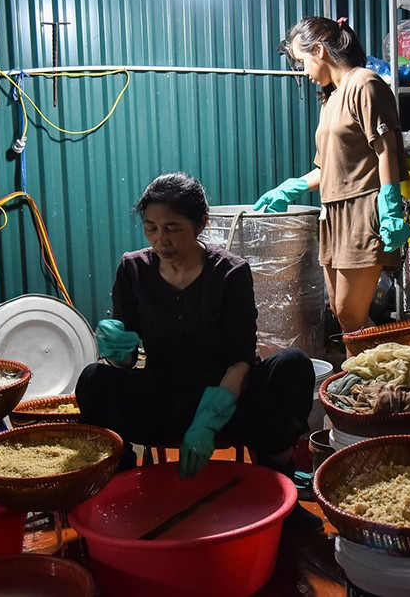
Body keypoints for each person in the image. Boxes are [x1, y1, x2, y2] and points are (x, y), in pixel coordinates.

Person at [75, 171, 321, 529]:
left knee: (292, 365)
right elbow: (125, 363)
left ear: (200, 223)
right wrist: (119, 347)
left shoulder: (230, 273)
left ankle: (276, 488)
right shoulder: (133, 269)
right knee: (94, 379)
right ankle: (117, 489)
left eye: (173, 228)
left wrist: (208, 422)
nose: (162, 240)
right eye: (151, 228)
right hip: (163, 398)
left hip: (226, 399)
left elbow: (240, 361)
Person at [255, 16, 410, 354]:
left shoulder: (365, 84)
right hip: (333, 214)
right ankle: (374, 384)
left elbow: (385, 151)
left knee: (350, 314)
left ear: (320, 51)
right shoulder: (330, 99)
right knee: (343, 317)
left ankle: (391, 383)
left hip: (363, 211)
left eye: (302, 61)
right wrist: (291, 186)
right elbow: (328, 169)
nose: (303, 71)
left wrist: (390, 205)